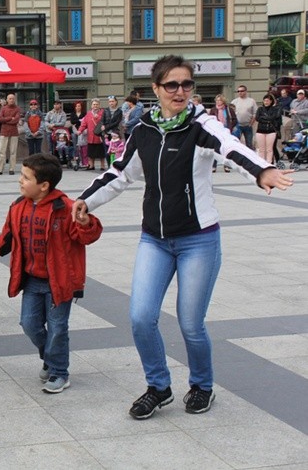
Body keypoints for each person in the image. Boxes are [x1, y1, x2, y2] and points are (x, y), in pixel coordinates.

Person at [72, 55, 294, 420]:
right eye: (171, 85)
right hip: (155, 240)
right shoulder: (142, 128)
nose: (180, 91)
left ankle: (202, 385)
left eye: (187, 84)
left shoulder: (200, 125)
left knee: (190, 324)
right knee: (141, 318)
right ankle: (158, 387)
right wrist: (86, 200)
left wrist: (262, 171)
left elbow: (231, 148)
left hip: (198, 240)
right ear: (156, 89)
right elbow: (120, 173)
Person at [0, 153, 102, 393]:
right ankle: (51, 358)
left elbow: (87, 236)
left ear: (44, 186)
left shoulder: (67, 208)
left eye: (26, 177)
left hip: (59, 281)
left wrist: (86, 223)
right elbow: (9, 235)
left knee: (58, 327)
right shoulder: (18, 206)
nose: (20, 181)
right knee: (29, 324)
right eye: (21, 175)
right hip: (31, 279)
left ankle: (60, 372)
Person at [0, 93, 22, 175]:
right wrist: (10, 118)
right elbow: (0, 119)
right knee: (1, 151)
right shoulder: (3, 108)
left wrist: (6, 120)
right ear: (7, 99)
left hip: (14, 132)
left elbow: (16, 120)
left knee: (13, 151)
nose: (11, 100)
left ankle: (11, 169)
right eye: (10, 98)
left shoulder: (17, 109)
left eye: (13, 98)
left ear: (15, 100)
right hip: (4, 131)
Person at [210, 94, 238, 172]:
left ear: (223, 101)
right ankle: (214, 166)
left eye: (220, 100)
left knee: (226, 148)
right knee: (216, 148)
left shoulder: (228, 109)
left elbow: (235, 120)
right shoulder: (214, 110)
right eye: (217, 100)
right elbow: (210, 119)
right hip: (217, 131)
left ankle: (226, 165)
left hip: (226, 131)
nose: (218, 102)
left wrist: (231, 127)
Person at [79, 98, 107, 171]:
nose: (95, 106)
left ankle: (102, 166)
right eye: (94, 104)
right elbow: (84, 123)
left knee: (101, 153)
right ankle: (91, 165)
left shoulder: (103, 112)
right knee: (90, 153)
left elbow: (105, 122)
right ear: (91, 105)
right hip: (91, 136)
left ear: (99, 105)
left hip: (99, 136)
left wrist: (98, 118)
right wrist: (80, 130)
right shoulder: (88, 114)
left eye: (97, 104)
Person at [255, 93, 281, 164]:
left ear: (271, 101)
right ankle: (261, 163)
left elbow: (273, 118)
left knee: (269, 149)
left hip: (271, 131)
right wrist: (267, 119)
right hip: (260, 130)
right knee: (261, 149)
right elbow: (257, 118)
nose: (266, 102)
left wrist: (264, 118)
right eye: (264, 100)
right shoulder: (260, 109)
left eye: (267, 101)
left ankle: (269, 163)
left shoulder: (275, 109)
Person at [231, 85, 257, 149]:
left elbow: (255, 113)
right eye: (238, 91)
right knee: (236, 144)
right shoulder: (234, 101)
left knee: (249, 144)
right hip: (237, 126)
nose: (240, 92)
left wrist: (251, 123)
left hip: (248, 125)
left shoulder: (251, 101)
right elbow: (230, 113)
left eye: (242, 91)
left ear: (245, 91)